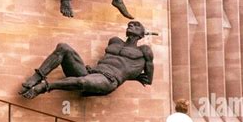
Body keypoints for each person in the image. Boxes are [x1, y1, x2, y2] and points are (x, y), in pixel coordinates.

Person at [19, 20, 153, 99]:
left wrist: (134, 77)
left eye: (136, 25)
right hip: (92, 72)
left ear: (141, 34)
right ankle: (37, 77)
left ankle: (44, 87)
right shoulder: (114, 41)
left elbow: (148, 78)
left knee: (82, 81)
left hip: (109, 79)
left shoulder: (143, 50)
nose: (131, 25)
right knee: (63, 47)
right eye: (130, 24)